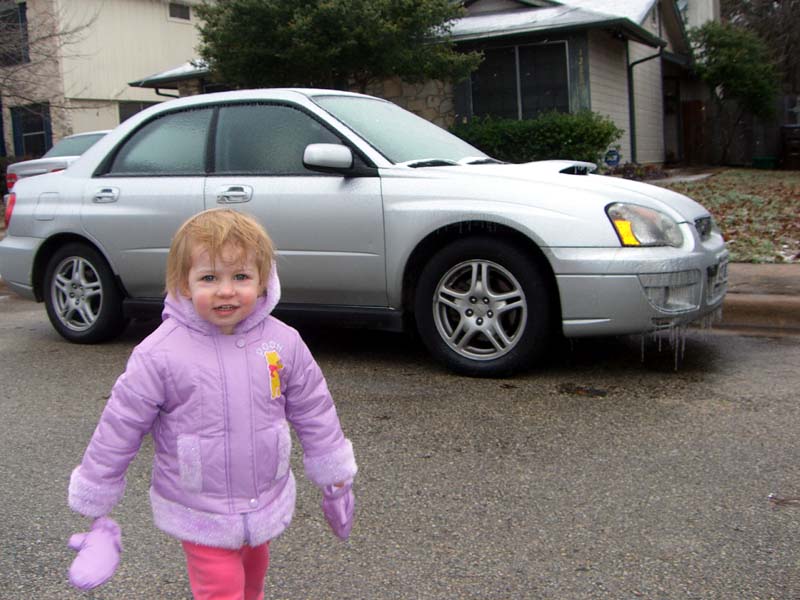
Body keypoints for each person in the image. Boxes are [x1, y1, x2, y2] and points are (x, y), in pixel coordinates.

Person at [66, 208, 357, 599]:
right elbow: (121, 424)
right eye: (209, 278)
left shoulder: (283, 342)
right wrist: (98, 488)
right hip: (199, 504)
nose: (226, 290)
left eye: (240, 277)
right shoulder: (161, 353)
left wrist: (333, 472)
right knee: (221, 587)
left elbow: (313, 408)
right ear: (183, 285)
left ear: (263, 280)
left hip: (264, 496)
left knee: (253, 575)